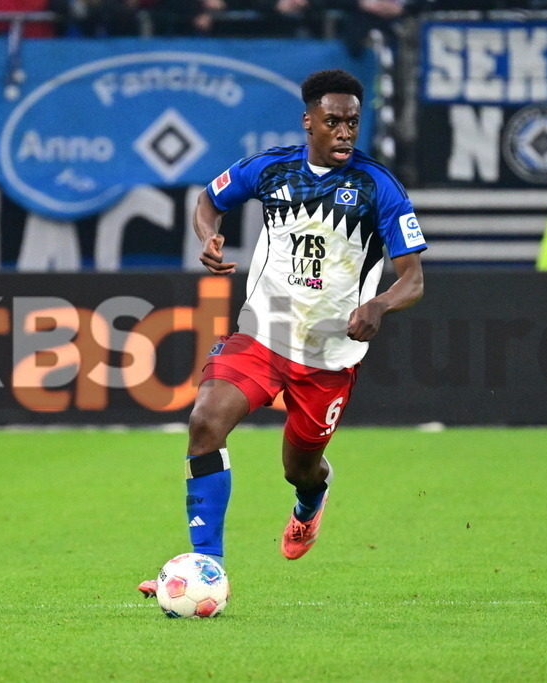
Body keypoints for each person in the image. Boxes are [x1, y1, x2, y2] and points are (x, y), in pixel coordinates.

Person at [138, 68, 426, 596]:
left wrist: (380, 305)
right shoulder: (271, 169)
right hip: (262, 334)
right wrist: (210, 237)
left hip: (329, 355)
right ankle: (208, 568)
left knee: (300, 468)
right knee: (205, 420)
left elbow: (414, 279)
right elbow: (208, 200)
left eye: (353, 123)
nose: (344, 132)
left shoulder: (377, 187)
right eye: (333, 121)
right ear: (309, 121)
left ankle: (310, 501)